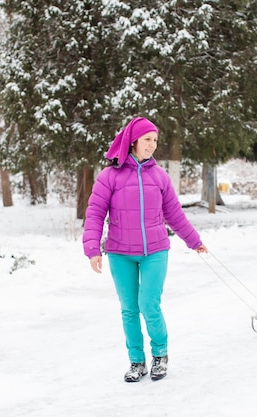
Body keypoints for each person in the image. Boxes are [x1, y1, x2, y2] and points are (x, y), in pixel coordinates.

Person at [83, 116, 208, 383]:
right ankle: (136, 361)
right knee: (129, 307)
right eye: (147, 140)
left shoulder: (159, 176)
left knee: (148, 303)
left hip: (155, 251)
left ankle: (160, 355)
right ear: (133, 141)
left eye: (155, 140)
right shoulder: (109, 176)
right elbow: (94, 213)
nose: (152, 145)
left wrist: (194, 240)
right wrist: (93, 248)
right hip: (119, 252)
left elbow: (175, 215)